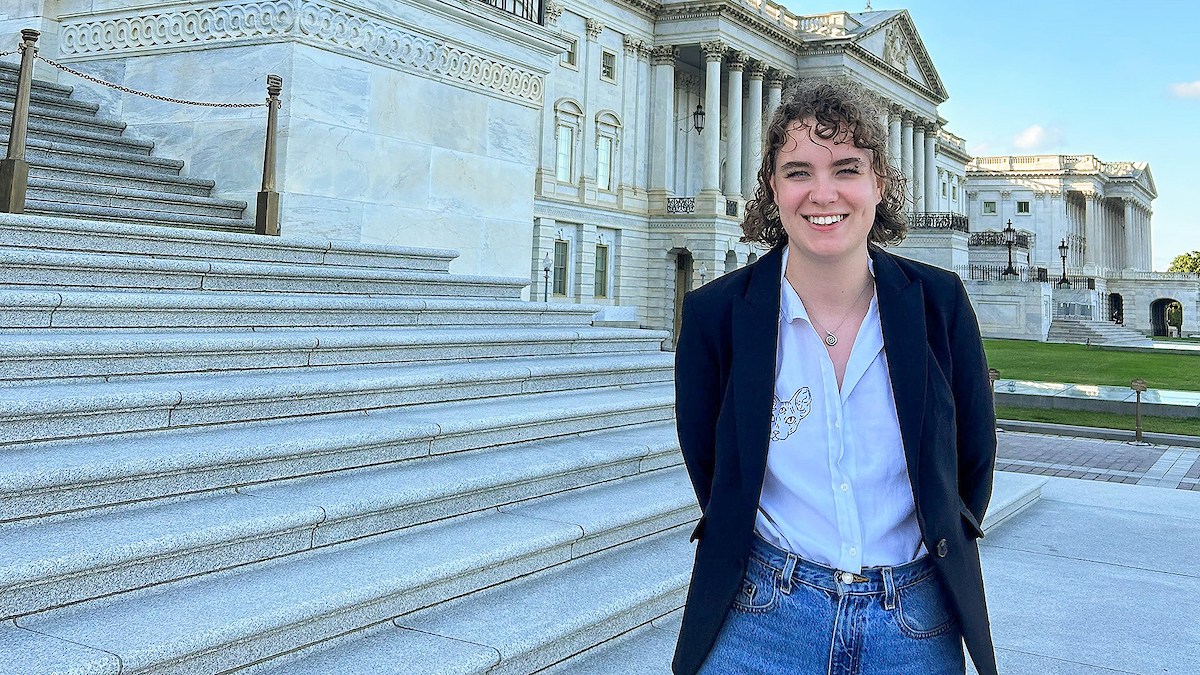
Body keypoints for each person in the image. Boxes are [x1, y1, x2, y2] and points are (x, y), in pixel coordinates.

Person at [671, 79, 998, 675]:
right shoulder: (714, 315)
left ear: (879, 184)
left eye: (846, 169)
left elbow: (972, 457)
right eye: (798, 171)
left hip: (914, 621)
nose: (823, 193)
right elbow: (713, 467)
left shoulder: (939, 302)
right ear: (773, 187)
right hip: (762, 617)